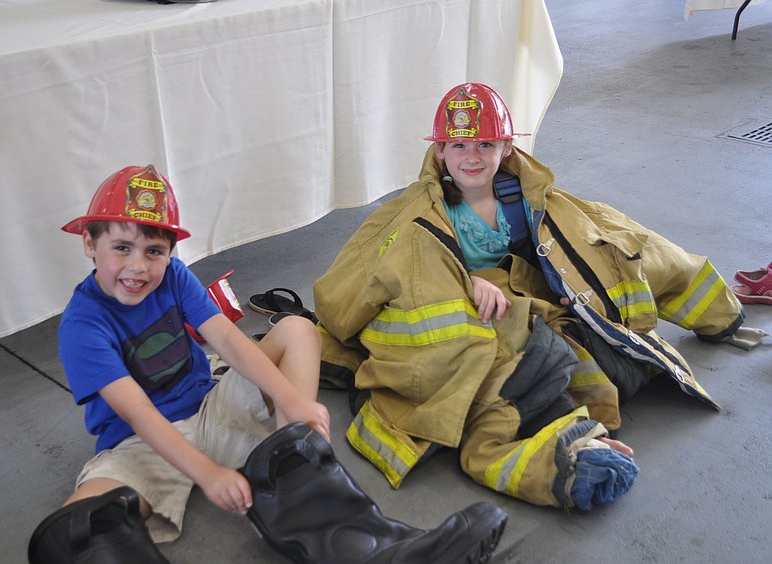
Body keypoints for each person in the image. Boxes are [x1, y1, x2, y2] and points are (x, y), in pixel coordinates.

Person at [29, 164, 508, 563]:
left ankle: (333, 510)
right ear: (89, 244)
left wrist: (290, 403)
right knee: (77, 530)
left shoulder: (173, 276)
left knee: (298, 329)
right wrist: (207, 472)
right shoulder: (82, 325)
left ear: (171, 252)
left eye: (154, 251)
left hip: (210, 405)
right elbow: (137, 413)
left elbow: (228, 342)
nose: (139, 266)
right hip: (140, 442)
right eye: (121, 248)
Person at [313, 83, 746, 511]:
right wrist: (467, 281)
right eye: (459, 143)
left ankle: (562, 441)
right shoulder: (419, 213)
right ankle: (560, 454)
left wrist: (717, 315)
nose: (472, 156)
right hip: (468, 308)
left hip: (523, 299)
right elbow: (388, 267)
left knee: (582, 356)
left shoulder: (528, 200)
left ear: (506, 147)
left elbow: (626, 243)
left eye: (485, 142)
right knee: (505, 363)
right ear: (440, 151)